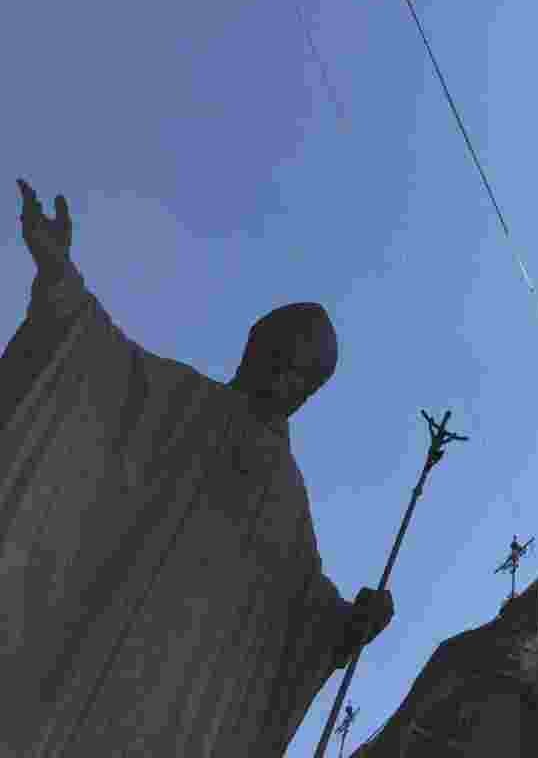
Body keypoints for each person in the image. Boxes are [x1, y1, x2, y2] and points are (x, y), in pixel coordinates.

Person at [0, 180, 393, 757]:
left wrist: (347, 626)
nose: (282, 374)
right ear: (253, 343)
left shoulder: (283, 500)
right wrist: (60, 278)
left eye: (300, 371)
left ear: (311, 390)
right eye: (277, 353)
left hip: (162, 711)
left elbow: (296, 618)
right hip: (79, 647)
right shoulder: (173, 398)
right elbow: (91, 358)